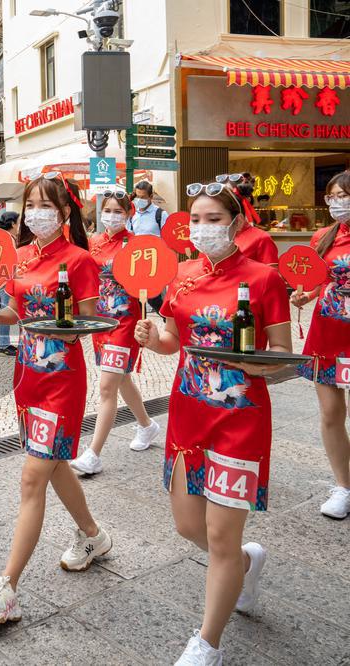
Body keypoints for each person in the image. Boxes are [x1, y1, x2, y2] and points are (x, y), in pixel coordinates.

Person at [135, 181, 292, 665]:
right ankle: (246, 563)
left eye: (214, 219)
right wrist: (150, 335)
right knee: (188, 526)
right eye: (196, 220)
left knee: (221, 535)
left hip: (240, 418)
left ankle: (207, 644)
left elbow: (286, 356)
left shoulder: (264, 278)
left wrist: (257, 365)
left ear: (237, 223)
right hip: (187, 414)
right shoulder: (180, 275)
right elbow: (172, 341)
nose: (203, 229)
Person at [0, 174, 111, 623]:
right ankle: (93, 534)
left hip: (63, 379)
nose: (36, 213)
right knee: (52, 464)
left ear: (65, 213)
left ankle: (6, 588)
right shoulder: (22, 256)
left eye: (45, 205)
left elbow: (88, 322)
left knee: (32, 477)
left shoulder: (80, 260)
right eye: (30, 204)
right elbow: (17, 311)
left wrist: (60, 320)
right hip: (27, 375)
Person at [70, 192, 160, 476]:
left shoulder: (138, 246)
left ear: (128, 213)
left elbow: (151, 281)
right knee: (121, 380)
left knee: (107, 386)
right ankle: (147, 425)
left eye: (117, 210)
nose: (111, 215)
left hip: (125, 324)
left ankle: (93, 454)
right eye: (106, 210)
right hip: (101, 323)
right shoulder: (92, 243)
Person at [294, 170, 350, 519]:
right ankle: (343, 486)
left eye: (343, 195)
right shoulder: (323, 236)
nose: (336, 203)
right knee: (331, 413)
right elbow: (318, 281)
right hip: (327, 333)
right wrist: (305, 294)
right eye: (331, 196)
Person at [129, 180, 168, 312]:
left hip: (154, 261)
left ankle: (166, 318)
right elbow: (129, 235)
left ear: (151, 197)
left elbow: (168, 239)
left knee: (153, 296)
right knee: (137, 297)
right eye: (137, 197)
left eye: (143, 197)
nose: (139, 200)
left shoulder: (160, 214)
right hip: (136, 260)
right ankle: (141, 322)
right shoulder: (132, 215)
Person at [0, 211, 20, 356]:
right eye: (18, 222)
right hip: (5, 282)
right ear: (12, 224)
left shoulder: (4, 237)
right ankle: (4, 345)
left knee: (7, 312)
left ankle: (4, 343)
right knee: (6, 313)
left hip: (2, 281)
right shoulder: (8, 238)